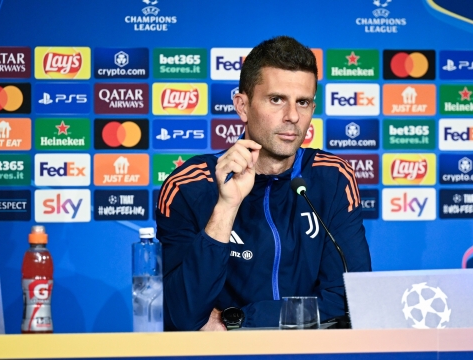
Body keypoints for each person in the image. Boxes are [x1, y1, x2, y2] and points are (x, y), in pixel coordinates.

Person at [156, 36, 372, 331]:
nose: (293, 116)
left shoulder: (332, 178)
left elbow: (351, 300)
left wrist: (241, 320)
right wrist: (226, 207)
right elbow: (180, 313)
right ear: (242, 106)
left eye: (303, 102)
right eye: (276, 99)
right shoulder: (188, 186)